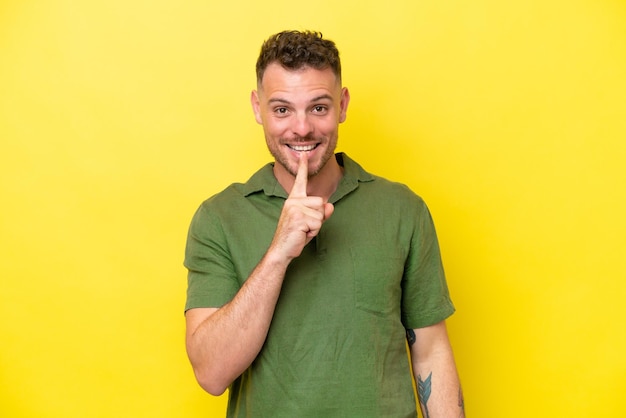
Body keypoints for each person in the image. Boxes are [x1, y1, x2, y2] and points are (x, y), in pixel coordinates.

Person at [184, 30, 464, 417]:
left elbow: (431, 351)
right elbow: (212, 374)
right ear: (257, 108)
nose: (301, 128)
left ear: (343, 105)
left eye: (318, 107)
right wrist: (279, 253)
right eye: (282, 109)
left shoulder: (403, 210)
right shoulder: (219, 218)